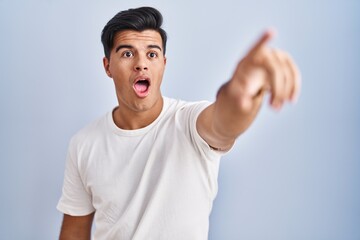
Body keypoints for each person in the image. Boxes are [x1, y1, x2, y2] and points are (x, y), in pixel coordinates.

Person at [57, 6, 301, 240]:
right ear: (107, 66)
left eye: (152, 54)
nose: (141, 63)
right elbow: (74, 233)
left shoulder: (189, 122)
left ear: (163, 63)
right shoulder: (84, 144)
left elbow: (222, 124)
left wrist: (239, 96)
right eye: (127, 53)